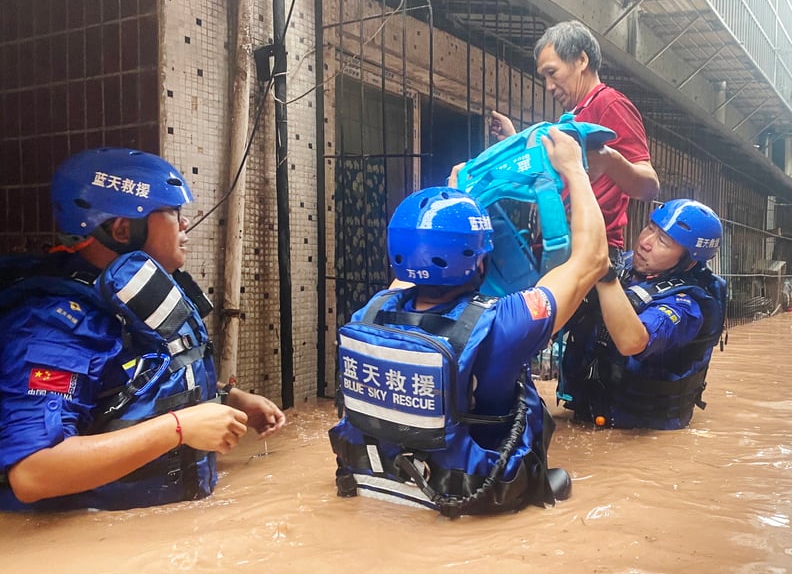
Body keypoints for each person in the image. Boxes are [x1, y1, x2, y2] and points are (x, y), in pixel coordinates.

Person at [328, 127, 608, 517]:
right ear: (479, 260)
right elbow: (592, 260)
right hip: (465, 492)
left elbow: (417, 268)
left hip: (377, 483)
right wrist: (574, 170)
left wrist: (455, 195)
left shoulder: (371, 311)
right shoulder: (505, 323)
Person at [0, 148, 286, 512]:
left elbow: (134, 382)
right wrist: (179, 428)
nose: (185, 225)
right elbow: (34, 473)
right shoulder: (55, 326)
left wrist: (227, 400)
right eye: (173, 214)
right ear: (123, 229)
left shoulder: (134, 296)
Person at [489, 19, 660, 252]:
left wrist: (611, 160)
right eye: (544, 78)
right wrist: (513, 138)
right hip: (560, 245)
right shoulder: (575, 117)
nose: (548, 86)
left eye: (552, 72)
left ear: (581, 60)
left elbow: (650, 187)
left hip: (590, 250)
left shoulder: (610, 104)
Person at [559, 198, 728, 430]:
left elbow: (633, 342)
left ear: (688, 263)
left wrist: (604, 276)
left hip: (641, 428)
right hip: (588, 414)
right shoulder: (627, 266)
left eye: (663, 241)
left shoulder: (688, 306)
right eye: (650, 228)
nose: (646, 242)